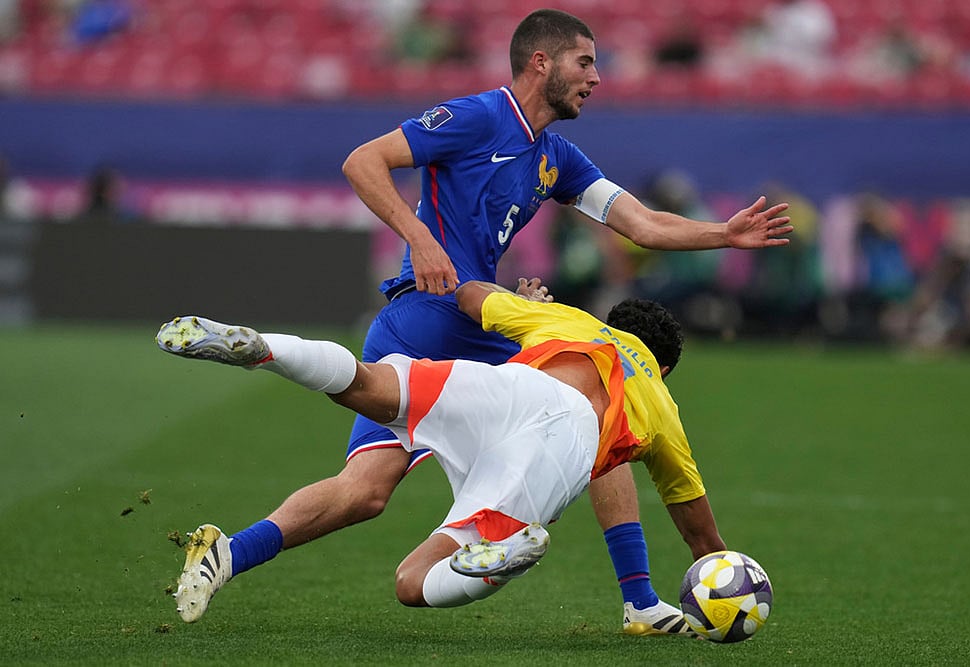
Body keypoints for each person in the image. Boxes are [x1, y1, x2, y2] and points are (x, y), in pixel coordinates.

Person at [164, 8, 791, 633]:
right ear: (540, 62)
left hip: (483, 324)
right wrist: (420, 238)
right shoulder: (475, 116)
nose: (596, 78)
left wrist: (724, 234)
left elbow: (643, 224)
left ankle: (226, 550)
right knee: (608, 418)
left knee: (365, 491)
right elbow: (363, 161)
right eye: (585, 62)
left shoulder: (558, 158)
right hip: (431, 312)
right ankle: (638, 602)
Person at [155, 279, 725, 622]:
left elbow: (473, 296)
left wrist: (513, 301)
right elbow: (697, 528)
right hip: (564, 443)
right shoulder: (663, 408)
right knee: (414, 582)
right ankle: (492, 562)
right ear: (665, 368)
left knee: (369, 386)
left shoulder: (569, 322)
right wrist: (722, 567)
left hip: (511, 388)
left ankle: (267, 349)